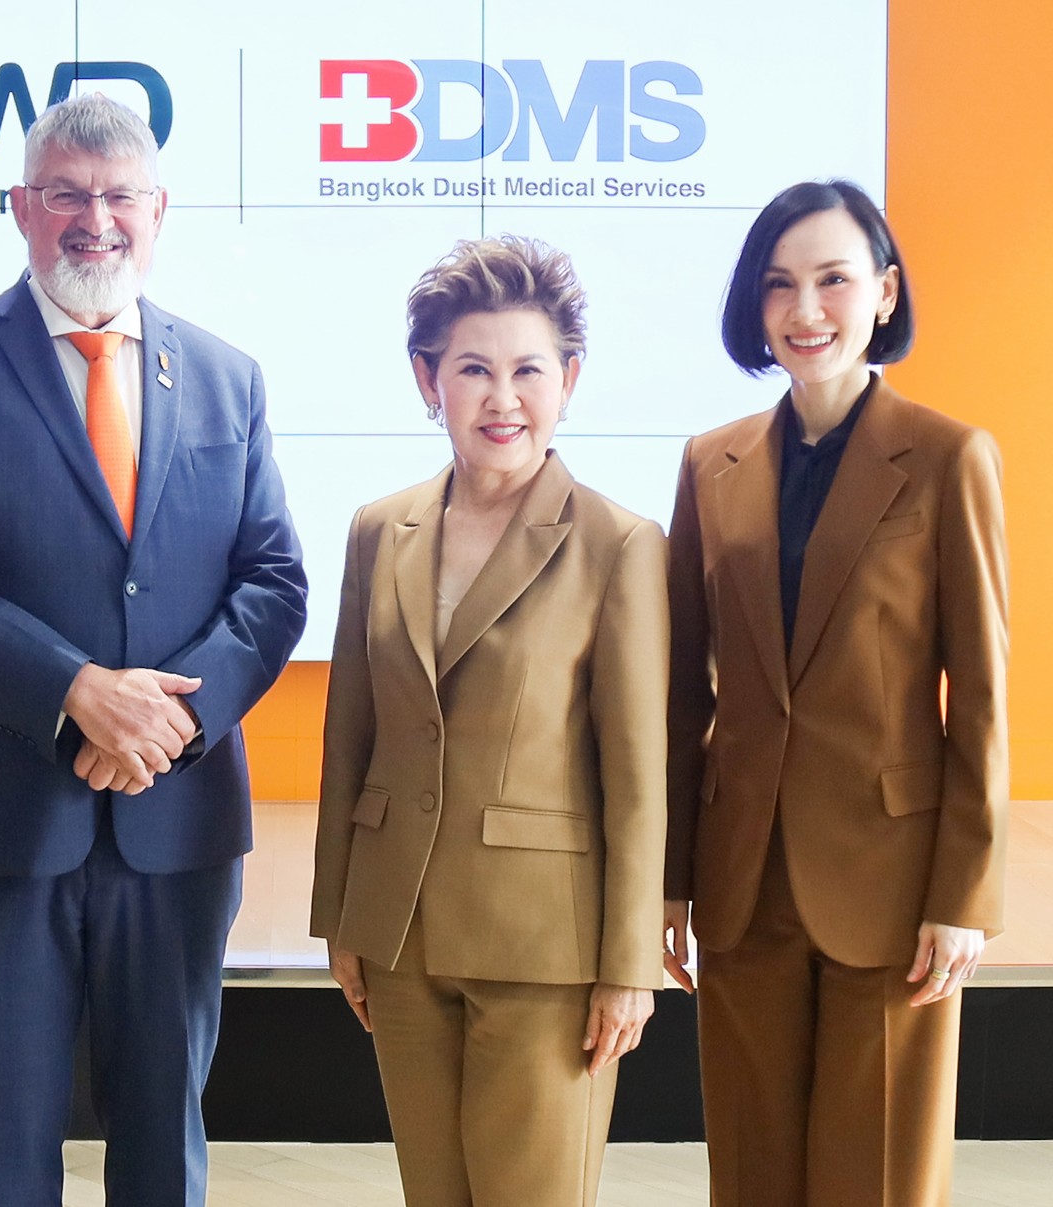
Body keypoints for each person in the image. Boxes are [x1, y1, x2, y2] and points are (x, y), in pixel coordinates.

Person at [0, 93, 307, 1207]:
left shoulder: (230, 377)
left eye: (119, 197)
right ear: (22, 206)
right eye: (67, 193)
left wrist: (171, 719)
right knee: (6, 1133)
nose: (94, 220)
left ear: (159, 210)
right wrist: (73, 691)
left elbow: (273, 582)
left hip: (176, 814)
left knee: (164, 1130)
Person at [663, 179, 1009, 1206]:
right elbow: (682, 691)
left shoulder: (949, 458)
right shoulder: (710, 462)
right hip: (742, 879)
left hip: (893, 884)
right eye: (779, 285)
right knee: (752, 1174)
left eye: (832, 280)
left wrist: (965, 896)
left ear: (885, 292)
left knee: (881, 1178)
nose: (804, 309)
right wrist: (671, 877)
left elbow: (982, 694)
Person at [310, 235, 669, 1207]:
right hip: (400, 934)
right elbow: (351, 736)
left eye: (528, 370)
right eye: (473, 369)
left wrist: (629, 965)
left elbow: (639, 779)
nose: (501, 397)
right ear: (428, 379)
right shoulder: (379, 529)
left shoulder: (620, 544)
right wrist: (340, 916)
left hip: (547, 948)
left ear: (570, 380)